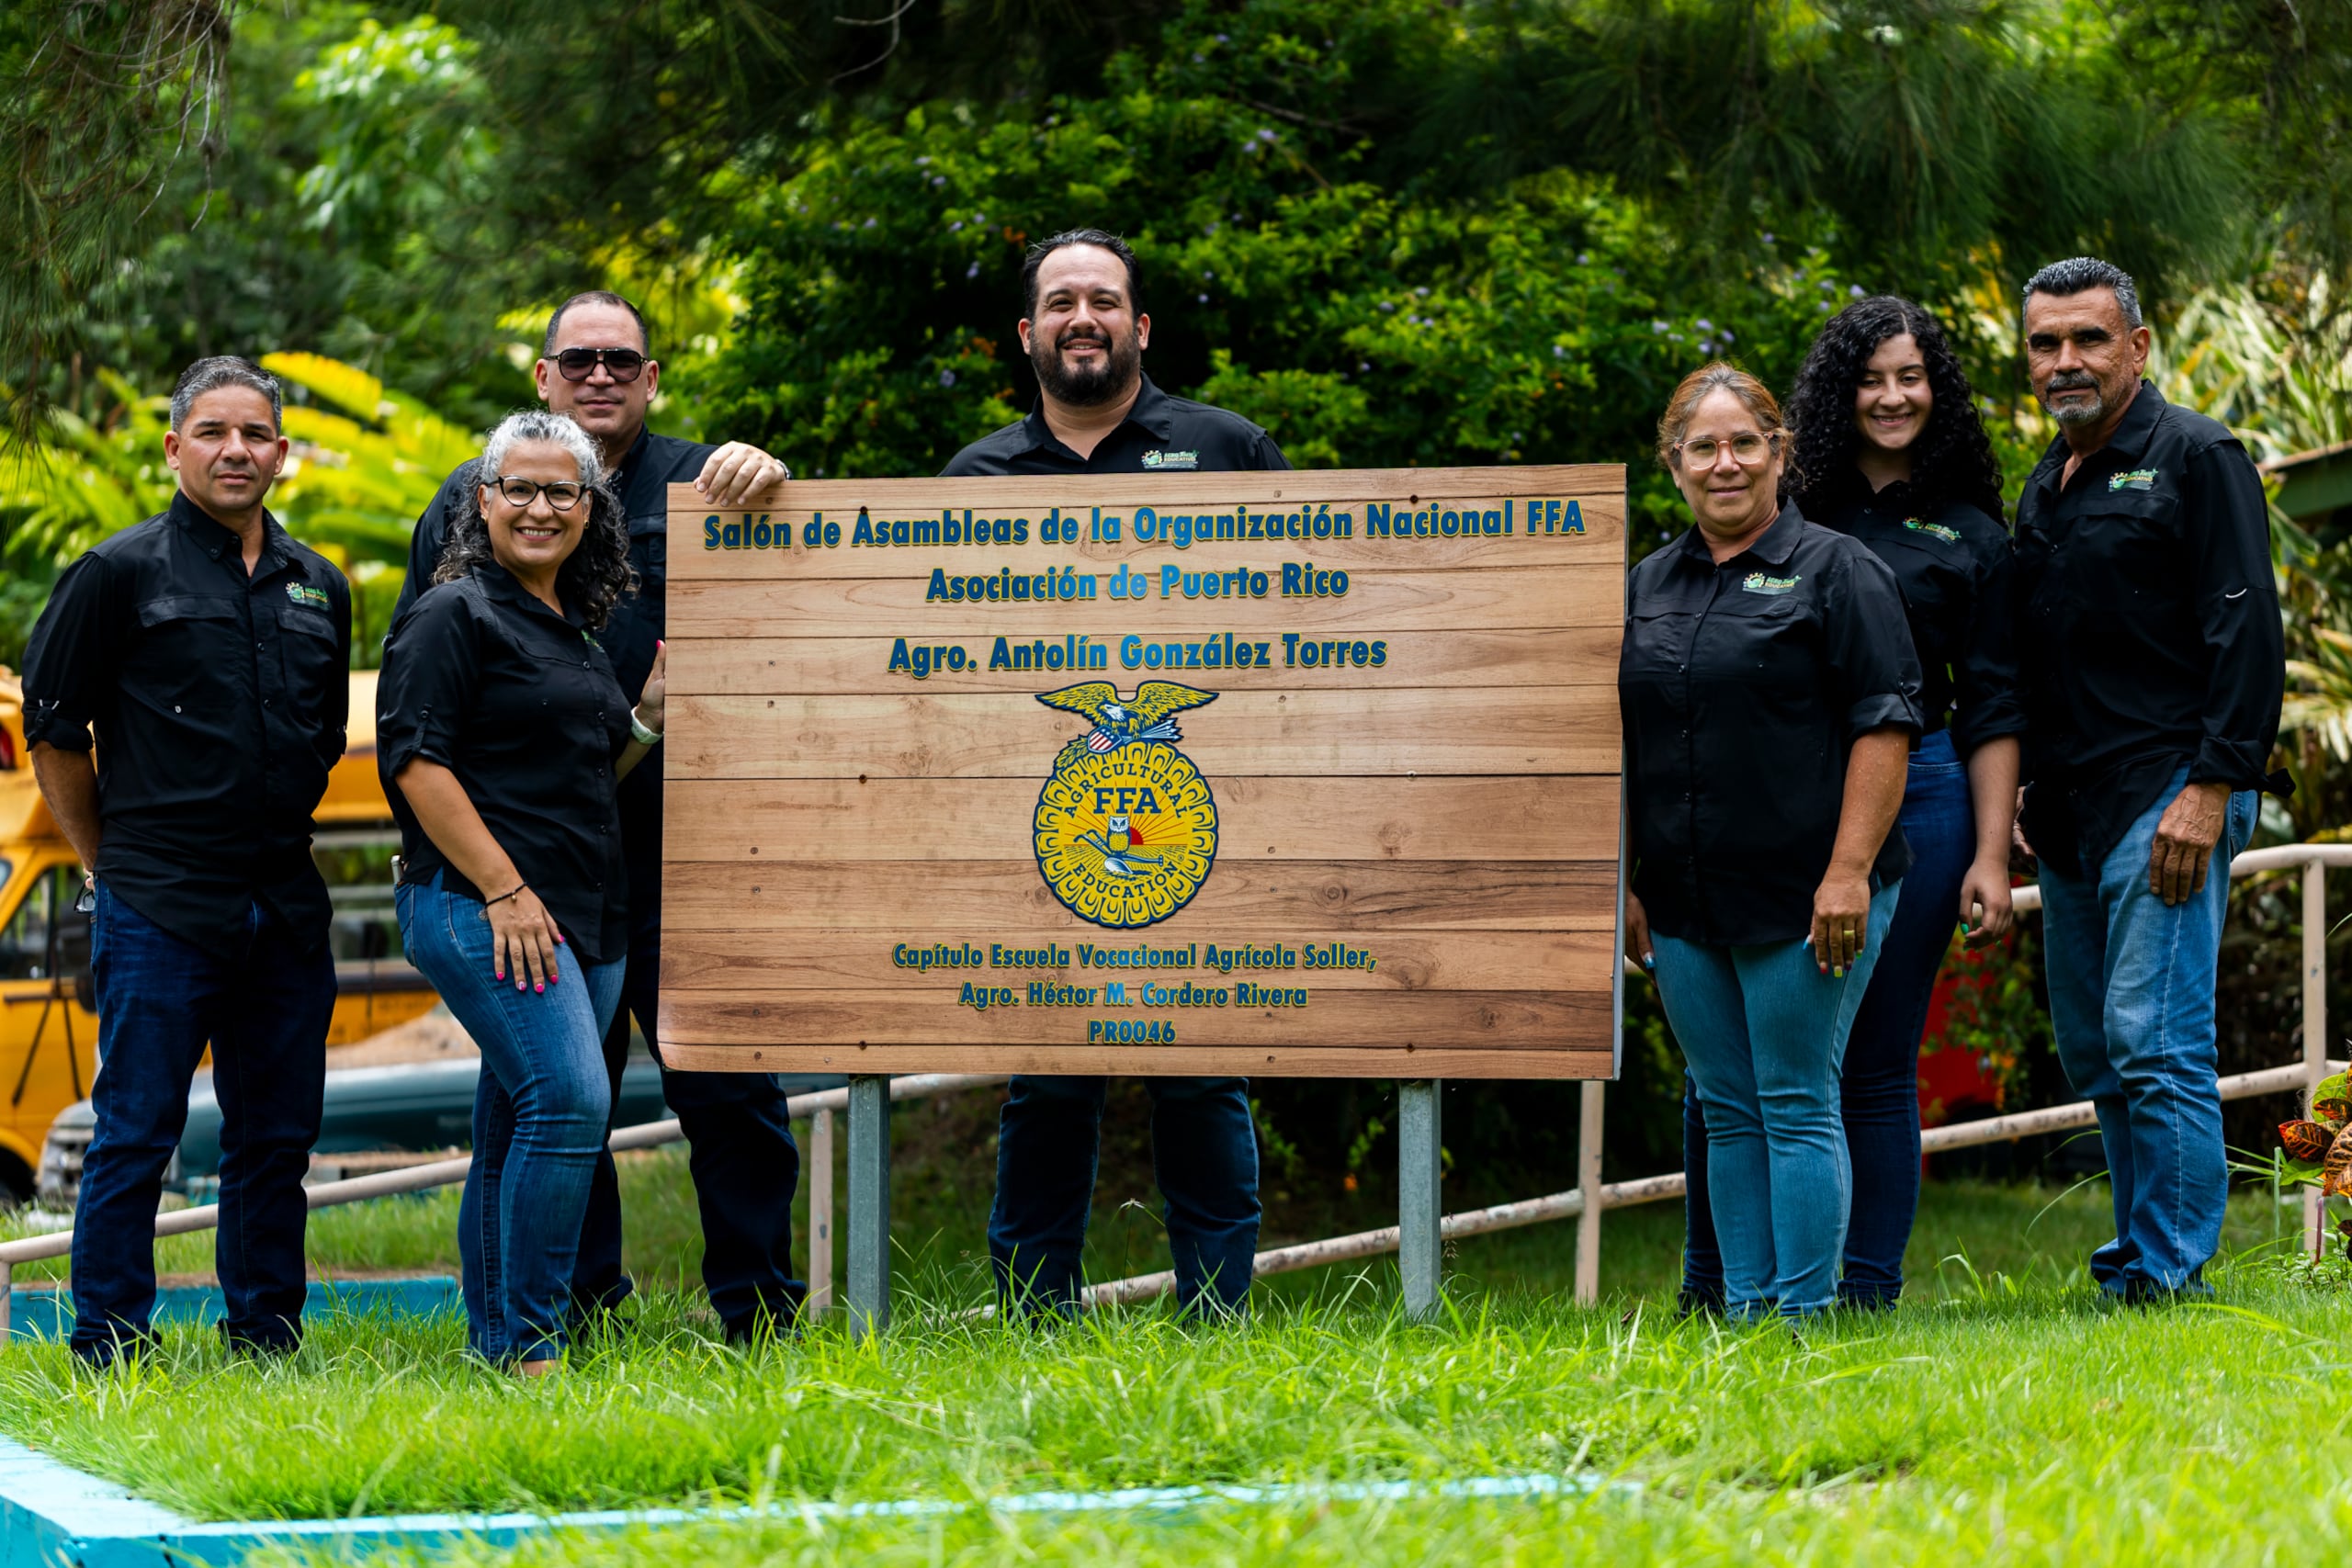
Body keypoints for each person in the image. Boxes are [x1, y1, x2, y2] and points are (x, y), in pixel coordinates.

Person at [393, 292, 803, 1342]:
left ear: (652, 378)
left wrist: (771, 472)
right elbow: (421, 722)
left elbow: (799, 594)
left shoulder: (714, 483)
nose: (600, 375)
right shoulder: (467, 509)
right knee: (570, 1095)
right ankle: (566, 1319)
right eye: (577, 359)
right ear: (542, 377)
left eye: (622, 359)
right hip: (531, 868)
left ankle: (759, 1315)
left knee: (732, 1097)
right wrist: (488, 881)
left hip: (689, 857)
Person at [941, 228, 1286, 1316]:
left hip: (1199, 811)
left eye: (1101, 300)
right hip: (1041, 822)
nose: (1080, 318)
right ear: (1027, 332)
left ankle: (1216, 1314)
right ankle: (1032, 1314)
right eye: (1060, 302)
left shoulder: (1228, 448)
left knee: (1200, 1068)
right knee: (1045, 1074)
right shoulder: (973, 477)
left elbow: (1306, 615)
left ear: (1139, 326)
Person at [1679, 299, 2025, 1312]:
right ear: (1836, 392)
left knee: (1872, 1060)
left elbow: (1992, 705)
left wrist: (1990, 853)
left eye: (1911, 376)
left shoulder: (1971, 532)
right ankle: (1713, 1284)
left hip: (1921, 792)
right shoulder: (1779, 504)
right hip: (1770, 796)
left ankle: (1864, 1292)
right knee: (1731, 1068)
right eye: (1870, 378)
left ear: (1937, 389)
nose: (1891, 396)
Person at [23, 357, 351, 1367]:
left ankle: (265, 1337)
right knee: (135, 1134)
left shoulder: (320, 585)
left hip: (284, 906)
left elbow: (322, 737)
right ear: (175, 448)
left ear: (282, 453)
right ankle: (110, 1345)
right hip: (158, 902)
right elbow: (53, 730)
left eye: (254, 434)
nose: (234, 450)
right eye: (212, 432)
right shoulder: (116, 572)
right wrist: (106, 861)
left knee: (276, 1140)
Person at [1621, 363, 1923, 1321]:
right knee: (1727, 1107)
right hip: (1683, 898)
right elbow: (1619, 739)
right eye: (1703, 447)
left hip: (1809, 893)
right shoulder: (1645, 583)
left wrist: (1848, 871)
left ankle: (1803, 1317)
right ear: (1673, 463)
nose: (1726, 463)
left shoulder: (1840, 570)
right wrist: (1625, 880)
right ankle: (1747, 1317)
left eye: (1744, 442)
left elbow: (1885, 726)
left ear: (1779, 453)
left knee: (1794, 1101)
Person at [2011, 256, 2285, 1302]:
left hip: (2171, 790)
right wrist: (2029, 786)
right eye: (2045, 342)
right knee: (2096, 1047)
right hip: (2071, 807)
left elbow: (2245, 630)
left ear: (2136, 346)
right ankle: (2137, 1254)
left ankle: (2167, 1272)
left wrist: (2213, 787)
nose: (2065, 361)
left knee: (2156, 1037)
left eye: (2088, 338)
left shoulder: (2197, 455)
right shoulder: (2046, 481)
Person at [379, 410, 668, 1370]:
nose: (539, 508)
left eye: (561, 491)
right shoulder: (452, 613)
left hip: (583, 913)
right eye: (520, 488)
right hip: (485, 907)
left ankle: (499, 1346)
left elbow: (586, 775)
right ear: (484, 500)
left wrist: (644, 721)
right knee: (570, 1101)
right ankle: (533, 1347)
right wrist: (504, 890)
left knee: (514, 1122)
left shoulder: (573, 628)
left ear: (589, 508)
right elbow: (416, 764)